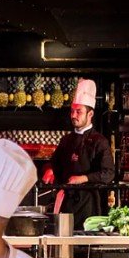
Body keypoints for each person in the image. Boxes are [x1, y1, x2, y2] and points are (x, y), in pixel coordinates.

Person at [41, 78, 115, 230]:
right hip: (66, 203)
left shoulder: (100, 141)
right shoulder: (66, 140)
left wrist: (83, 178)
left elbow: (109, 173)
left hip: (89, 204)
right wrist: (49, 170)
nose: (73, 115)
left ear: (90, 114)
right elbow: (54, 163)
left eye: (79, 111)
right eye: (72, 111)